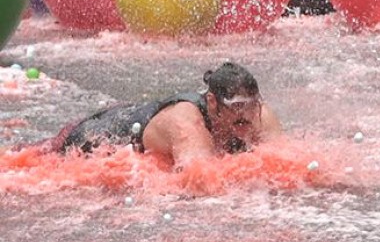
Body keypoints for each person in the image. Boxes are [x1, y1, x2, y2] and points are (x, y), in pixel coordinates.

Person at [40, 62, 283, 167]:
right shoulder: (187, 123)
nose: (246, 115)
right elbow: (201, 179)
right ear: (212, 102)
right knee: (37, 156)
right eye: (236, 106)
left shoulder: (259, 114)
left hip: (139, 112)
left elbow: (286, 161)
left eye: (251, 105)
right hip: (97, 135)